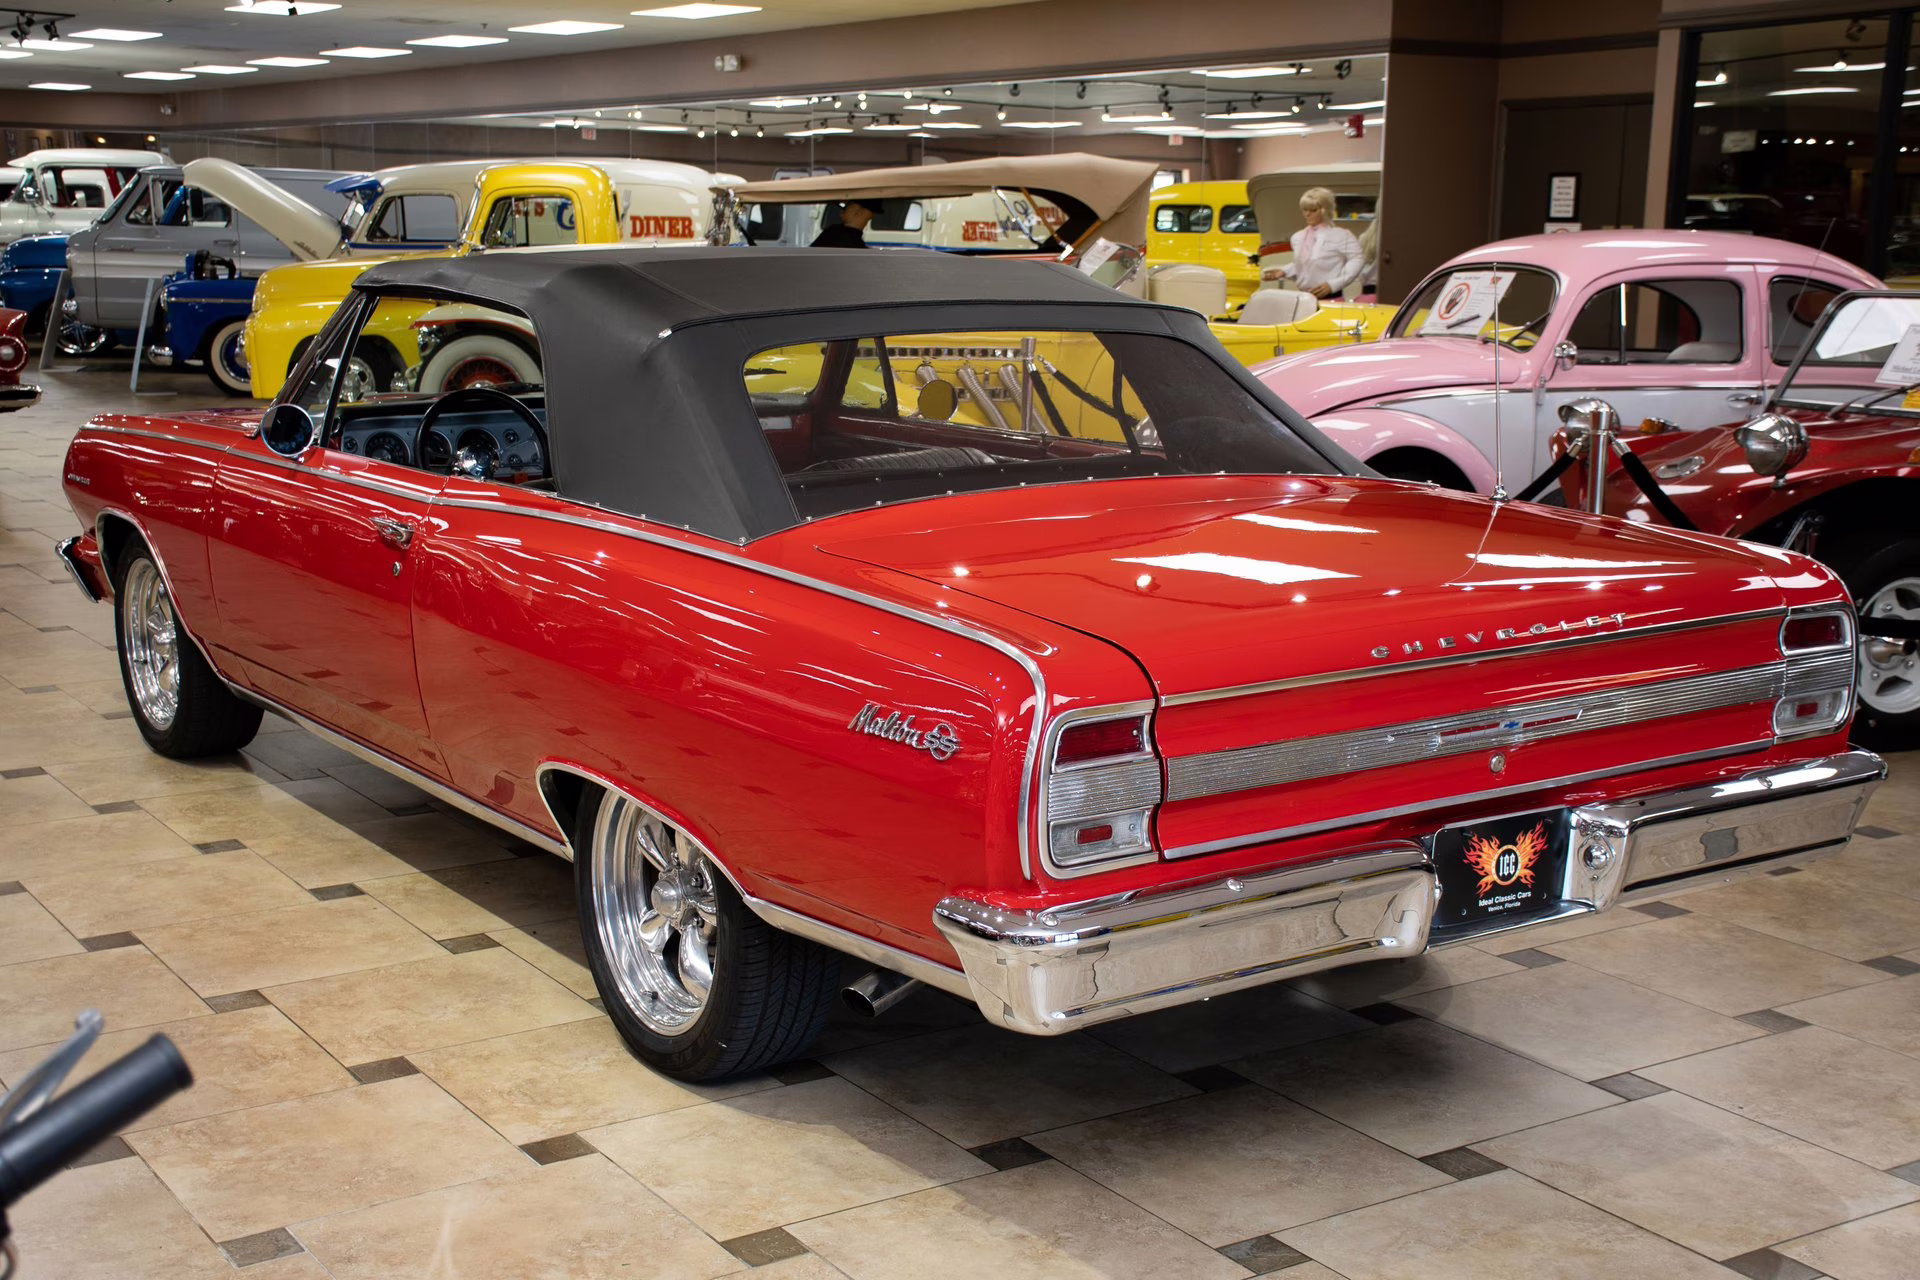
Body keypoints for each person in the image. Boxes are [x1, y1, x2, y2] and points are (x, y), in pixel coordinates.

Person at [1288, 187, 1364, 299]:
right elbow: (1306, 266)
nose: (1307, 214)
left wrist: (1335, 284)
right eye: (1305, 210)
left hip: (1331, 298)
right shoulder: (1297, 237)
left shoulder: (1341, 235)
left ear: (1325, 210)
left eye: (1313, 210)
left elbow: (1357, 259)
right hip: (1303, 298)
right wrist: (1284, 271)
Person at [811, 199, 882, 248]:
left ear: (858, 213)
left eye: (846, 208)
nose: (841, 212)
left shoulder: (832, 233)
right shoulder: (835, 234)